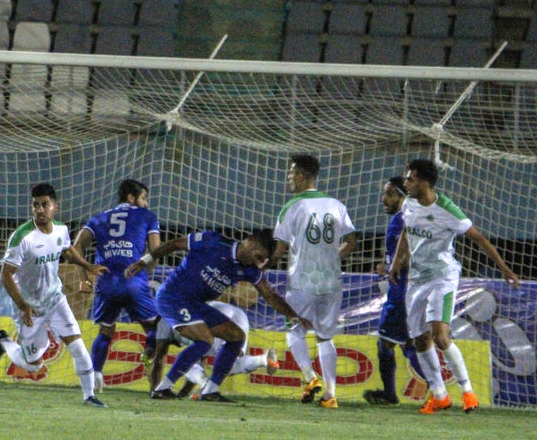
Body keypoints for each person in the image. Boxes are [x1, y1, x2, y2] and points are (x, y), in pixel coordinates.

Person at [389, 158, 520, 414]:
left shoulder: (448, 210)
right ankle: (439, 395)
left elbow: (479, 238)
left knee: (440, 335)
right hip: (416, 279)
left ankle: (468, 392)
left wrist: (504, 268)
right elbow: (406, 231)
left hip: (442, 277)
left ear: (424, 183)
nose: (405, 184)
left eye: (410, 179)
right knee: (419, 339)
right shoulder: (409, 205)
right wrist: (397, 262)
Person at [126, 228, 306, 403]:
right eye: (258, 257)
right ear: (250, 242)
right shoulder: (212, 241)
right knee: (205, 339)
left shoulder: (250, 270)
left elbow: (270, 295)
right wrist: (144, 261)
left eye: (262, 261)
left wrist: (292, 316)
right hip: (172, 297)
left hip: (196, 305)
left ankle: (210, 391)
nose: (257, 263)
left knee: (236, 336)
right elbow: (174, 244)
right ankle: (162, 389)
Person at [0, 182, 109, 407]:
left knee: (77, 345)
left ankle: (89, 396)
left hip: (55, 300)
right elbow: (6, 276)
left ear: (55, 207)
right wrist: (23, 306)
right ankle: (4, 341)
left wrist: (87, 266)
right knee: (33, 364)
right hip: (29, 307)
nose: (40, 210)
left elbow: (68, 250)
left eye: (45, 204)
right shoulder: (22, 237)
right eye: (36, 205)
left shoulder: (61, 230)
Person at [270, 154, 357, 409]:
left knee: (294, 329)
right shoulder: (336, 205)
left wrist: (262, 265)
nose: (288, 178)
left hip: (303, 282)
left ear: (300, 176)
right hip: (332, 283)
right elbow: (352, 242)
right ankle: (330, 395)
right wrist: (331, 258)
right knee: (325, 337)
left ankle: (311, 378)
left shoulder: (293, 206)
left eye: (290, 173)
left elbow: (279, 249)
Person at [72, 179, 160, 392]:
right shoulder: (147, 216)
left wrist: (85, 277)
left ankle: (95, 377)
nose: (146, 203)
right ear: (131, 198)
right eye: (143, 198)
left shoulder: (99, 218)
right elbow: (156, 251)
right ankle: (150, 361)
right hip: (134, 282)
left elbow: (75, 247)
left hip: (106, 282)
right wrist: (145, 270)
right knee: (155, 328)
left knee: (105, 330)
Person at [363, 177, 423, 406]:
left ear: (402, 197)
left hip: (401, 293)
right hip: (410, 290)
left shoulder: (401, 221)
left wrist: (392, 268)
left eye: (389, 194)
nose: (384, 199)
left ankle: (396, 394)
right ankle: (437, 392)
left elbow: (407, 256)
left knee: (388, 343)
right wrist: (387, 266)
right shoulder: (409, 219)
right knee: (408, 343)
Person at [148, 299, 280, 399]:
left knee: (186, 362)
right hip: (236, 314)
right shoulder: (178, 309)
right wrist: (182, 394)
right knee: (230, 364)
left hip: (213, 317)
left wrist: (154, 390)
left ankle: (205, 384)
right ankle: (263, 359)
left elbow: (159, 359)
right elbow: (199, 364)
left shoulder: (162, 323)